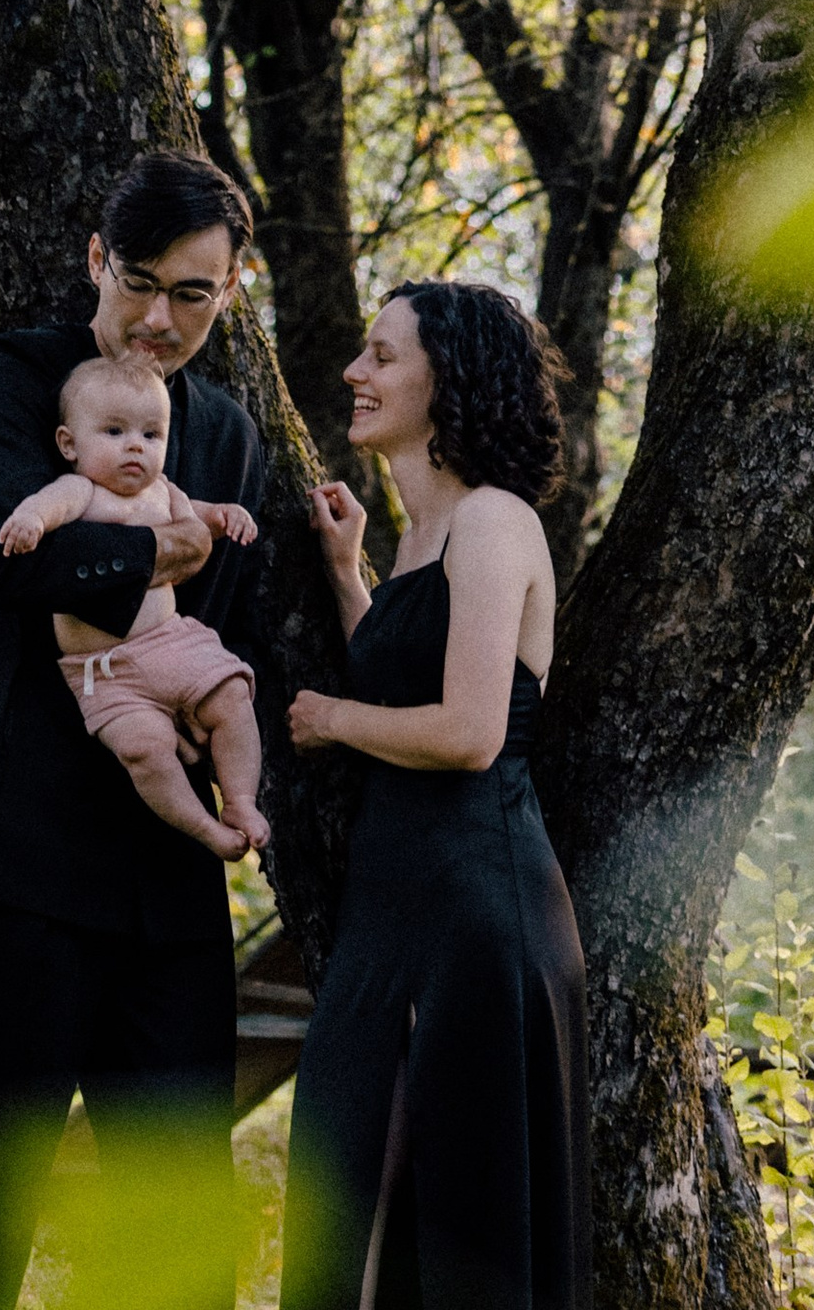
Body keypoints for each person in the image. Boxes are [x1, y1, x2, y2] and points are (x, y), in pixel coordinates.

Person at [0, 148, 265, 1310]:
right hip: (14, 860)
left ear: (231, 292)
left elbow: (230, 638)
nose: (158, 318)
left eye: (192, 294)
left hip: (168, 884)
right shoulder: (12, 384)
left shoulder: (230, 439)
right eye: (139, 280)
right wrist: (153, 550)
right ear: (96, 260)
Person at [283, 281, 591, 1310]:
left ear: (444, 380)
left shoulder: (495, 523)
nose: (353, 374)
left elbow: (467, 732)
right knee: (350, 1210)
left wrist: (327, 719)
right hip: (395, 910)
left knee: (451, 1233)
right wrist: (344, 573)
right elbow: (412, 669)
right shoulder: (424, 536)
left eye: (380, 356)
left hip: (476, 917)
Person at [0, 348, 268, 859]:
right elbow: (49, 506)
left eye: (151, 435)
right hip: (104, 670)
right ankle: (206, 830)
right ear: (69, 444)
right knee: (143, 750)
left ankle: (240, 800)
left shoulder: (164, 493)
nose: (135, 449)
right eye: (115, 432)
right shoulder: (80, 491)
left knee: (233, 696)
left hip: (173, 643)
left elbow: (198, 516)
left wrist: (225, 515)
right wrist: (32, 519)